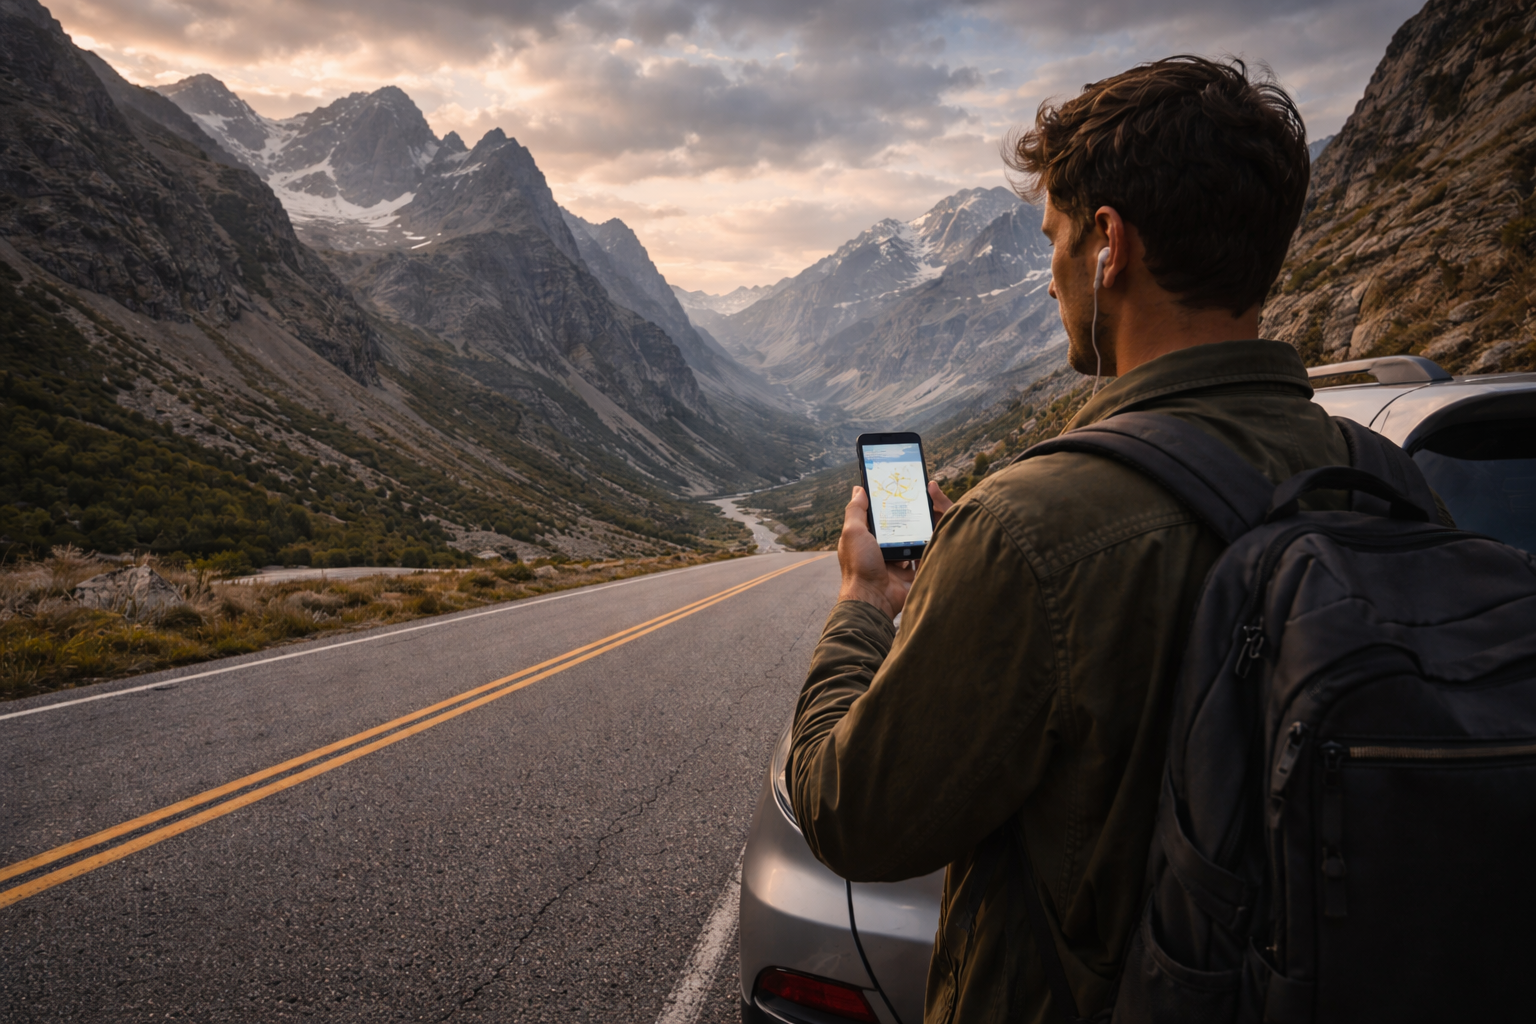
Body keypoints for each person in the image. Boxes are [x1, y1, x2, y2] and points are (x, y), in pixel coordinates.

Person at [788, 56, 1333, 1023]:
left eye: (1055, 240)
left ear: (1108, 245)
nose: (1049, 278)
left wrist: (865, 610)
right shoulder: (1383, 480)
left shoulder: (1029, 528)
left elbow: (850, 813)